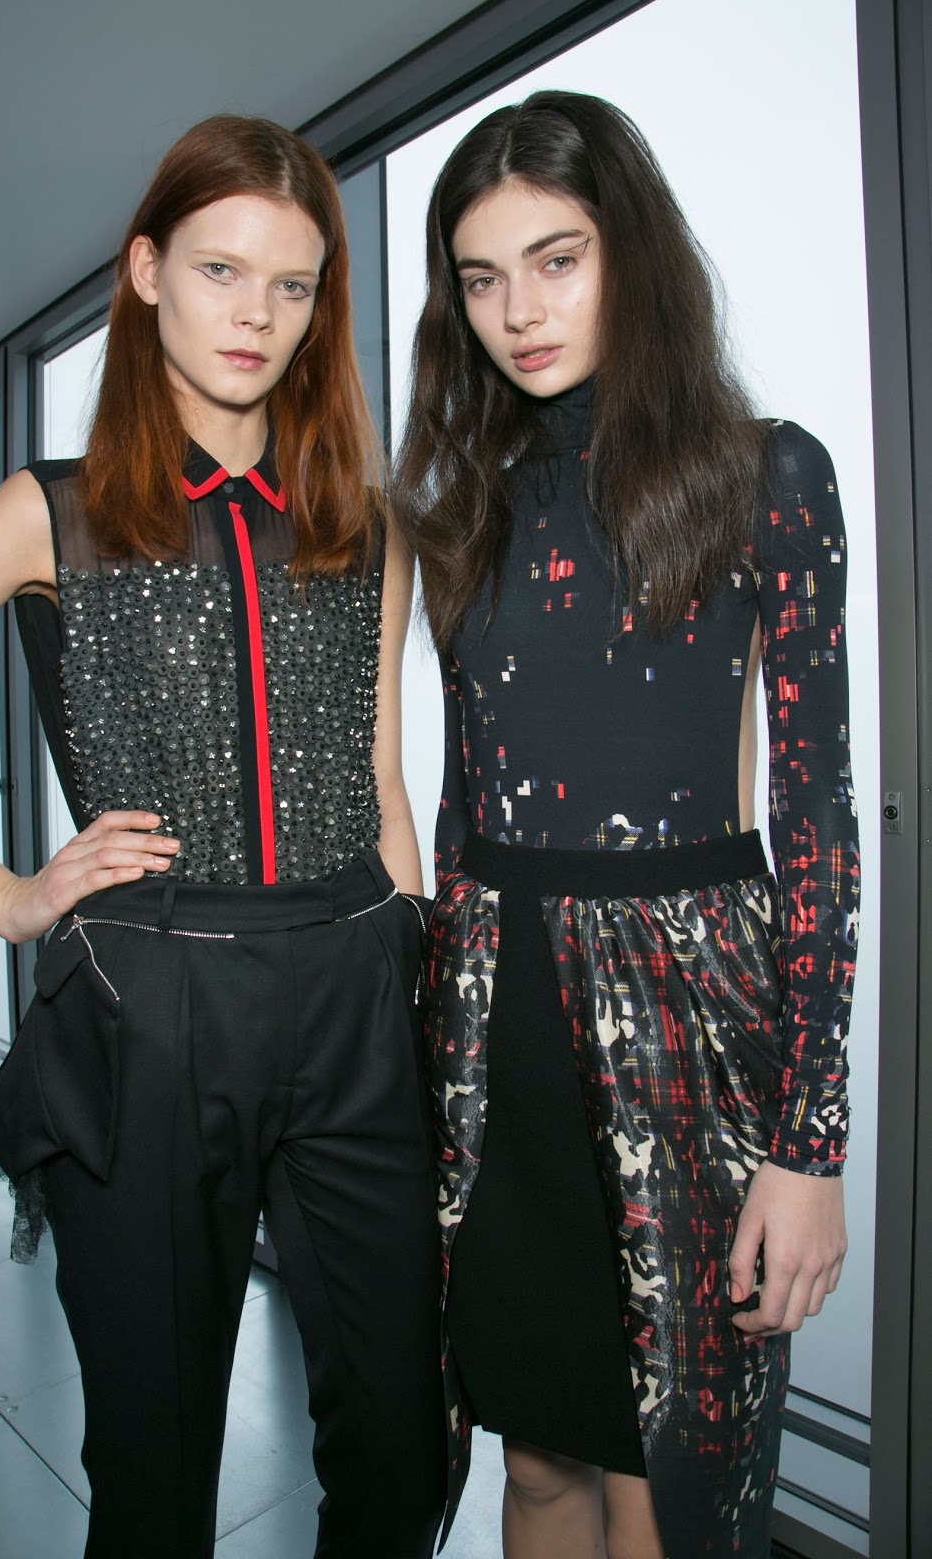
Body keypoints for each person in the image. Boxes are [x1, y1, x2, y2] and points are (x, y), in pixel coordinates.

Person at [0, 114, 446, 1559]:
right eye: (219, 270)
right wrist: (7, 898)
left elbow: (381, 779)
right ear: (146, 272)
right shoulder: (48, 511)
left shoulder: (369, 526)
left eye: (293, 285)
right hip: (152, 1002)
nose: (257, 314)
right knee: (154, 1460)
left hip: (358, 995)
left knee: (403, 1435)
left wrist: (413, 969)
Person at [394, 91, 859, 1559]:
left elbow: (818, 818)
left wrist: (811, 1145)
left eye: (558, 259)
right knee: (534, 1461)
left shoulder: (765, 473)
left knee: (671, 1499)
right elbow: (464, 803)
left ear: (630, 252)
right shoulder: (462, 504)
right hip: (498, 1027)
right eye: (482, 278)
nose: (519, 312)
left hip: (690, 1026)